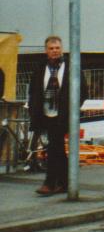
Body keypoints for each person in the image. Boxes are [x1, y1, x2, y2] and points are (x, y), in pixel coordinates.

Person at [27, 36, 83, 196]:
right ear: (46, 51)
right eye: (51, 48)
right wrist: (33, 108)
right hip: (46, 113)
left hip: (63, 115)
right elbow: (34, 90)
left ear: (62, 49)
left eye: (57, 48)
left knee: (53, 146)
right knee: (57, 147)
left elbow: (83, 90)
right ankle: (65, 183)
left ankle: (50, 183)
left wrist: (72, 108)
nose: (55, 51)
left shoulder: (71, 67)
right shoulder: (40, 68)